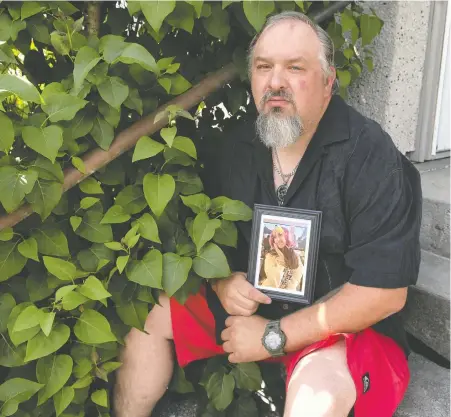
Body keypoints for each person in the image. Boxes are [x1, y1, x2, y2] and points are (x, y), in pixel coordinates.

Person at [113, 11, 422, 417]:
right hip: (253, 313)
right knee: (147, 319)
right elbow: (201, 236)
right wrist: (222, 281)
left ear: (328, 83)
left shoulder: (370, 156)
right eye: (264, 67)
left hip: (343, 329)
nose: (276, 81)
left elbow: (383, 293)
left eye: (295, 68)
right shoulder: (237, 146)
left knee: (317, 397)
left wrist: (274, 336)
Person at [259, 225, 304, 291]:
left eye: (280, 235)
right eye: (275, 237)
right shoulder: (270, 256)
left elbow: (295, 280)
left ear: (286, 236)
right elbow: (274, 283)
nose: (277, 239)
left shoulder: (295, 256)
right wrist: (281, 266)